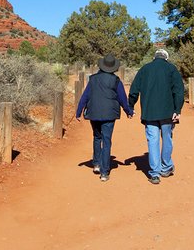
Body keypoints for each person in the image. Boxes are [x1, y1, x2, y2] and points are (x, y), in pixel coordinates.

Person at [128, 48, 184, 184]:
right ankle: (166, 167)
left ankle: (154, 174)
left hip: (149, 112)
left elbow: (134, 89)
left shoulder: (145, 69)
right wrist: (178, 109)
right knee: (167, 139)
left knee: (152, 141)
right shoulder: (171, 69)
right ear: (166, 58)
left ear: (154, 57)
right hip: (168, 112)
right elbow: (179, 91)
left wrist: (131, 105)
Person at [76, 53, 134, 182]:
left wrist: (79, 111)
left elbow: (85, 96)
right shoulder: (116, 81)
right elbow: (122, 98)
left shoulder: (93, 79)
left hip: (94, 112)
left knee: (97, 137)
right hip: (109, 114)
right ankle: (104, 172)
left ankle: (96, 163)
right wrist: (128, 111)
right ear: (113, 68)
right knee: (106, 140)